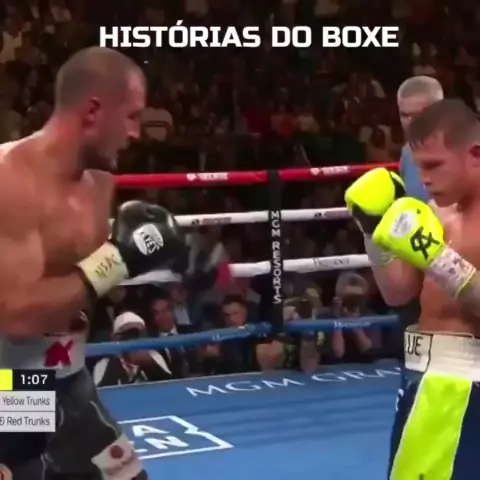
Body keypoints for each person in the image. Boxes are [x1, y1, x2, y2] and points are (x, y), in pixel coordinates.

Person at [0, 47, 210, 479]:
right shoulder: (11, 180)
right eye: (131, 116)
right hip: (10, 387)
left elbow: (82, 289)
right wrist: (115, 261)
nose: (136, 132)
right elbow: (17, 317)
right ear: (94, 110)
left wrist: (180, 263)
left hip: (70, 380)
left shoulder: (100, 181)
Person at [345, 98, 480, 479]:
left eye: (434, 165)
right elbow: (398, 293)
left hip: (465, 386)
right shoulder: (434, 213)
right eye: (419, 168)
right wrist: (372, 230)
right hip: (423, 380)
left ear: (475, 155)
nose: (424, 180)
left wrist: (435, 257)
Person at [397, 76, 443, 202]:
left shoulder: (465, 151)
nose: (410, 122)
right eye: (404, 115)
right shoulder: (407, 153)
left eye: (418, 115)